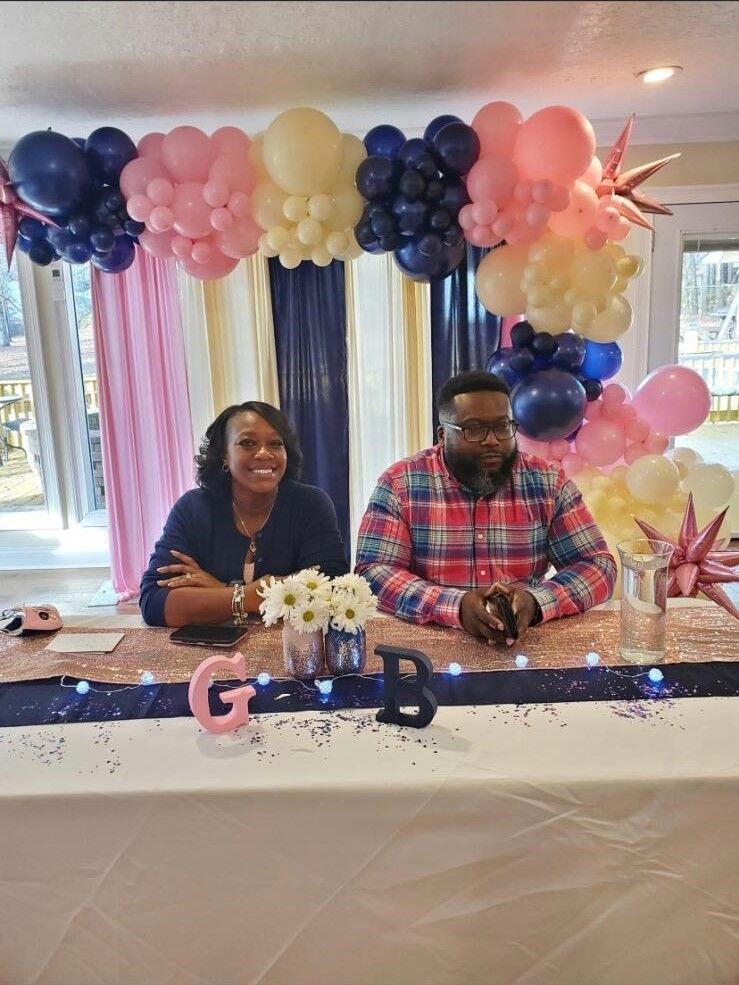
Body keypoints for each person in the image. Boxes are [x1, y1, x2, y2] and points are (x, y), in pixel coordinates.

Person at [355, 370, 616, 644]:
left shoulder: (547, 482)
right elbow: (373, 572)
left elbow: (598, 565)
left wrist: (537, 602)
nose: (492, 440)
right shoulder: (401, 484)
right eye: (474, 429)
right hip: (432, 649)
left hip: (525, 647)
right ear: (443, 434)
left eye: (503, 427)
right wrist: (455, 607)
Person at [140, 401, 348, 627]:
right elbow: (154, 603)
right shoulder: (193, 509)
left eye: (276, 444)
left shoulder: (310, 505)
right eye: (247, 443)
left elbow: (332, 592)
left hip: (291, 652)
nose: (263, 453)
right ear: (224, 456)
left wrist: (223, 591)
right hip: (210, 653)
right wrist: (250, 595)